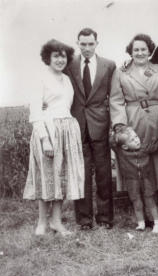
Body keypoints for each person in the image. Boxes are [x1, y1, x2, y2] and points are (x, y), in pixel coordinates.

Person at [23, 39, 84, 236]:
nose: (60, 60)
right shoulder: (40, 78)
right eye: (56, 56)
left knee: (61, 177)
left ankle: (56, 222)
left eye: (63, 56)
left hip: (67, 130)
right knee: (46, 176)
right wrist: (45, 138)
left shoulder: (66, 79)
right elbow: (35, 111)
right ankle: (42, 222)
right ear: (47, 58)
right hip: (48, 131)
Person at [109, 34, 158, 211]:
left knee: (155, 162)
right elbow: (116, 100)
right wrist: (120, 125)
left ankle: (156, 206)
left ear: (149, 50)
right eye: (136, 49)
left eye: (143, 49)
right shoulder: (121, 72)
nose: (140, 53)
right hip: (132, 120)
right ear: (130, 51)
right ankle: (139, 207)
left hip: (155, 119)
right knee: (135, 160)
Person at [64, 28, 116, 230]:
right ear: (77, 43)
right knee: (82, 174)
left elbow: (114, 96)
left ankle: (105, 218)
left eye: (90, 44)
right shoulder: (69, 65)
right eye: (83, 44)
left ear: (97, 43)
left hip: (100, 125)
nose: (86, 48)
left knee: (103, 173)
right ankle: (84, 220)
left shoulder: (108, 66)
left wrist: (113, 124)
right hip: (77, 125)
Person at [110, 126, 158, 233]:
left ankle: (157, 223)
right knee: (136, 202)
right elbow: (112, 143)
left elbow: (157, 145)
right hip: (131, 180)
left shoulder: (144, 148)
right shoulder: (122, 152)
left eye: (136, 137)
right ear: (125, 146)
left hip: (146, 179)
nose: (136, 140)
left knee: (150, 200)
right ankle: (141, 223)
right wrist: (114, 132)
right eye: (132, 140)